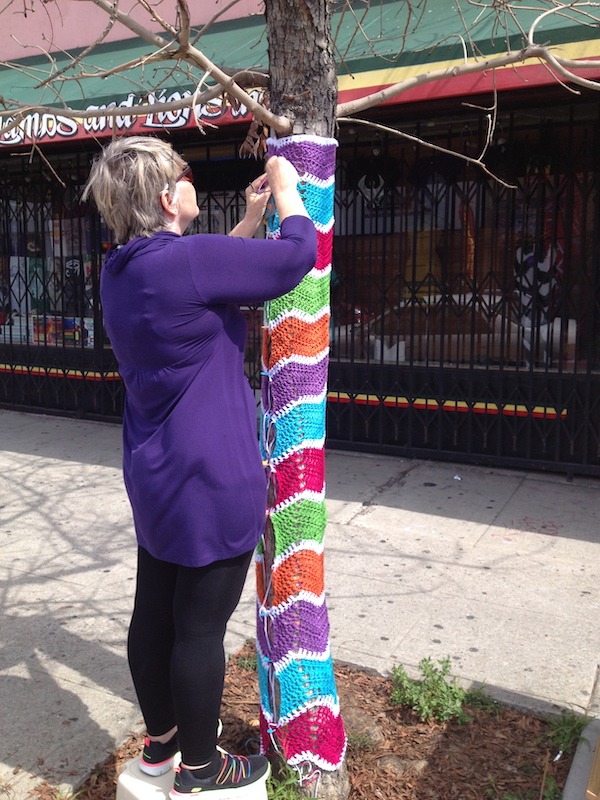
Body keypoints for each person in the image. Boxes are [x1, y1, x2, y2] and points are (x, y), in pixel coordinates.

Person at [82, 135, 316, 799]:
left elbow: (206, 277)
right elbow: (294, 258)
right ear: (166, 196)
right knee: (199, 630)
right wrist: (288, 186)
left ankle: (160, 747)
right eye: (186, 177)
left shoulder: (123, 269)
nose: (192, 184)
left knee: (153, 610)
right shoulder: (186, 263)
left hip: (155, 471)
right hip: (212, 473)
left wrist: (245, 219)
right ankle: (202, 770)